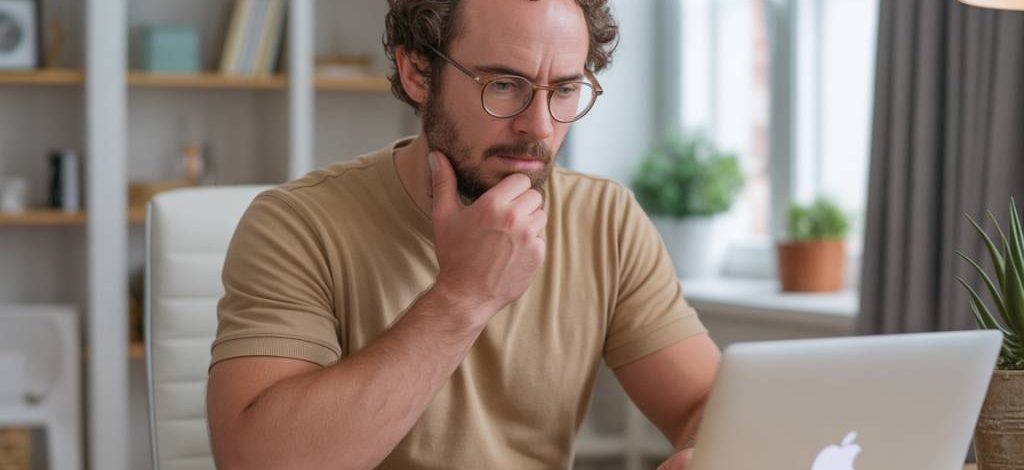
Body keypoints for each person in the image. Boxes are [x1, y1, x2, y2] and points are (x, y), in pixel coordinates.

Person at [206, 0, 721, 468]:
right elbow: (259, 462)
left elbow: (704, 405)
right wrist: (465, 295)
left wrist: (706, 451)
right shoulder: (296, 225)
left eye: (564, 90)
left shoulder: (605, 218)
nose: (539, 126)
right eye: (503, 84)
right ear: (417, 73)